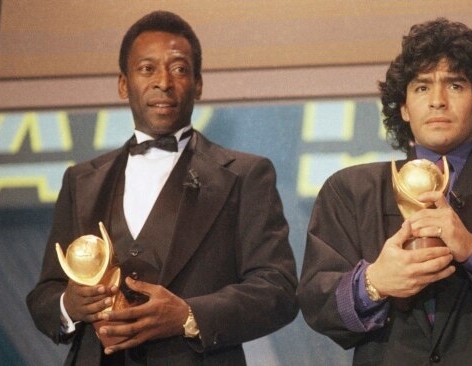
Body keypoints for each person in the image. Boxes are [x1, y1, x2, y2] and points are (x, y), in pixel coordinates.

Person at [297, 18, 472, 365]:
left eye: (456, 86)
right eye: (420, 88)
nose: (437, 101)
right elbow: (314, 300)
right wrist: (373, 282)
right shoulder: (349, 191)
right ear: (403, 108)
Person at [27, 10, 298, 365]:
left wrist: (188, 315)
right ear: (124, 83)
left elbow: (277, 290)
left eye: (179, 68)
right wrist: (69, 305)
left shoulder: (246, 176)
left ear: (198, 83)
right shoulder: (81, 180)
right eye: (147, 68)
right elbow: (46, 293)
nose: (163, 82)